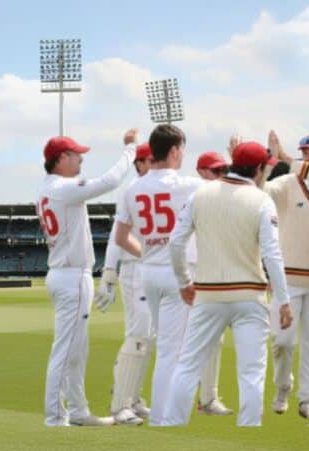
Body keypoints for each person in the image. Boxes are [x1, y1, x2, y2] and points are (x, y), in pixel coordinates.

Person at [162, 141, 292, 426]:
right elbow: (272, 254)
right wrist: (283, 300)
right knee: (251, 371)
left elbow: (175, 243)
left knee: (187, 365)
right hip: (249, 295)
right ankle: (249, 424)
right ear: (258, 169)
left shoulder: (201, 194)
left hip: (208, 295)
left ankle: (170, 423)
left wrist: (184, 281)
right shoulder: (261, 199)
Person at [37, 129, 137, 427]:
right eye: (76, 154)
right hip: (70, 275)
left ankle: (78, 410)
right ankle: (56, 416)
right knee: (66, 350)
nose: (81, 159)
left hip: (66, 273)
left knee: (77, 350)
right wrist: (130, 150)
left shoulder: (49, 187)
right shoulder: (62, 187)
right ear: (61, 159)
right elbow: (110, 181)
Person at [114, 124, 201, 426]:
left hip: (148, 272)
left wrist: (150, 253)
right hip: (179, 274)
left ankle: (161, 411)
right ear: (175, 150)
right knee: (171, 351)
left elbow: (121, 238)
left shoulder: (133, 188)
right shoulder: (190, 185)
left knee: (164, 345)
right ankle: (166, 417)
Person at [95, 142, 153, 425]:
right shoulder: (131, 191)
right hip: (135, 269)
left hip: (155, 269)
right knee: (138, 335)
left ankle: (133, 397)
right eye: (148, 160)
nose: (154, 164)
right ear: (139, 164)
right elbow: (117, 236)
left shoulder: (161, 189)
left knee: (149, 338)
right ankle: (120, 404)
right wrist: (109, 272)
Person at [264, 151, 309, 418]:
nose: (307, 158)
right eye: (304, 153)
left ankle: (307, 398)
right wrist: (268, 164)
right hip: (288, 279)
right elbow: (259, 191)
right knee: (282, 340)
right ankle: (283, 386)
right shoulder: (287, 184)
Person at [191, 151, 233, 416]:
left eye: (223, 171)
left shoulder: (222, 196)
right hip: (188, 273)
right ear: (201, 172)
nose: (220, 176)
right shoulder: (196, 193)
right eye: (214, 171)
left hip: (212, 273)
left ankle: (208, 398)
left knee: (215, 338)